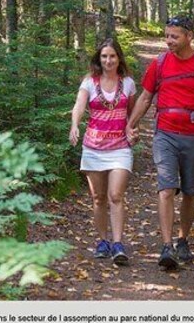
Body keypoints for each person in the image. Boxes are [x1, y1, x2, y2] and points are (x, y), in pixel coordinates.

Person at [124, 16, 194, 269]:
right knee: (166, 188)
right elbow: (146, 97)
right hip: (165, 134)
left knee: (190, 192)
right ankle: (166, 246)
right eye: (167, 35)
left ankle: (183, 240)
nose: (169, 41)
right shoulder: (159, 64)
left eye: (174, 36)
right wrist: (131, 124)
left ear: (189, 35)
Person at [69, 37, 139, 266]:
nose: (108, 60)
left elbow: (133, 113)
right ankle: (103, 241)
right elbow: (79, 105)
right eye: (104, 56)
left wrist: (132, 129)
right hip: (93, 147)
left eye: (112, 56)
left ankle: (118, 244)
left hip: (120, 147)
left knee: (116, 196)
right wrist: (74, 125)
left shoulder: (127, 83)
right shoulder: (89, 81)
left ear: (119, 58)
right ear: (99, 59)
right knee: (98, 198)